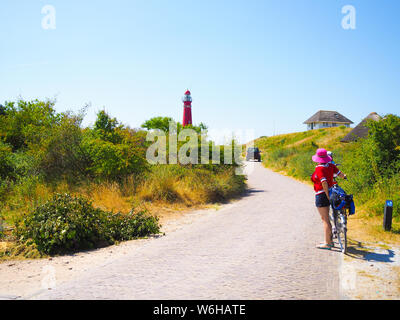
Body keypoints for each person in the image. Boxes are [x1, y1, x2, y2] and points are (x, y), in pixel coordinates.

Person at [311, 148, 347, 250]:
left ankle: (328, 243)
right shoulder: (331, 165)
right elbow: (340, 174)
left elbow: (324, 182)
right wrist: (344, 176)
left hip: (322, 194)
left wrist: (327, 195)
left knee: (325, 220)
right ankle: (329, 240)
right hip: (332, 191)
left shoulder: (319, 168)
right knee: (327, 218)